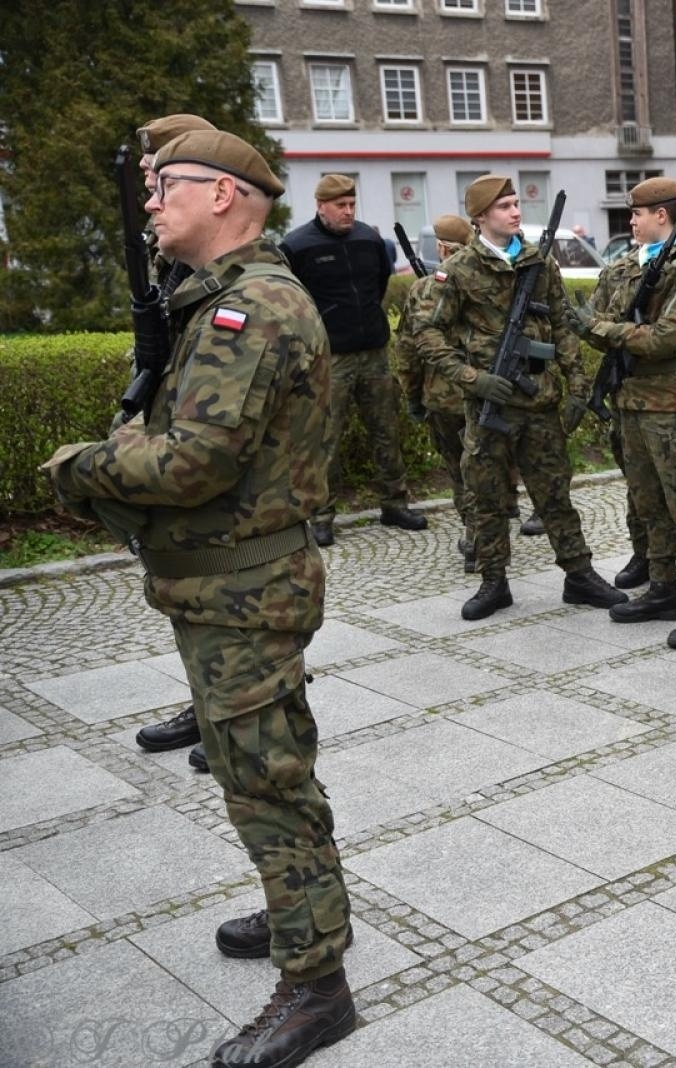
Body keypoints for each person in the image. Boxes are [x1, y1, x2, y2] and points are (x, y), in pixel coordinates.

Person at [44, 129, 356, 1068]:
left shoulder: (250, 309)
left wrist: (77, 467)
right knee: (267, 764)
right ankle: (299, 906)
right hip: (233, 584)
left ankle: (317, 989)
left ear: (225, 196)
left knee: (265, 780)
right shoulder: (221, 299)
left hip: (245, 589)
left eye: (167, 186)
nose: (152, 203)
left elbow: (193, 461)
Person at [415, 175, 624, 621]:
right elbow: (428, 333)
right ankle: (494, 581)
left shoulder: (538, 264)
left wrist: (578, 386)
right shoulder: (460, 270)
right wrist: (472, 378)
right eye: (505, 206)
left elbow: (565, 325)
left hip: (540, 404)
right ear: (480, 217)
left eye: (515, 204)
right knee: (487, 497)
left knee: (554, 494)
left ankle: (579, 574)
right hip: (489, 408)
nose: (515, 211)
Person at [573, 176, 676, 650]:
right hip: (631, 401)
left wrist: (604, 327)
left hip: (672, 404)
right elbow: (593, 327)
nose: (631, 221)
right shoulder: (626, 266)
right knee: (648, 500)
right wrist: (607, 328)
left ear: (662, 215)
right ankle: (663, 587)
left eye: (637, 213)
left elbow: (667, 338)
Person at [125, 113, 218, 774]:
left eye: (154, 165)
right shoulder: (169, 252)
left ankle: (244, 714)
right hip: (173, 423)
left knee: (227, 594)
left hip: (213, 453)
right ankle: (207, 703)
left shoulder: (220, 258)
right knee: (187, 591)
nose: (144, 180)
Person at [281, 173, 426, 546]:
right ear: (321, 206)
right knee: (326, 438)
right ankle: (322, 515)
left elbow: (380, 283)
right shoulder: (297, 246)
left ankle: (395, 503)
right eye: (340, 206)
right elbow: (291, 301)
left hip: (374, 349)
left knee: (386, 430)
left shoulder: (369, 238)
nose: (348, 212)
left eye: (351, 205)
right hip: (331, 357)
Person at [394, 213, 478, 573]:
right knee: (486, 465)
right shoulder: (488, 285)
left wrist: (412, 396)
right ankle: (486, 529)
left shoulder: (424, 289)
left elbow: (409, 351)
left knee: (460, 472)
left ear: (442, 248)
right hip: (484, 391)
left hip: (443, 397)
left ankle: (475, 536)